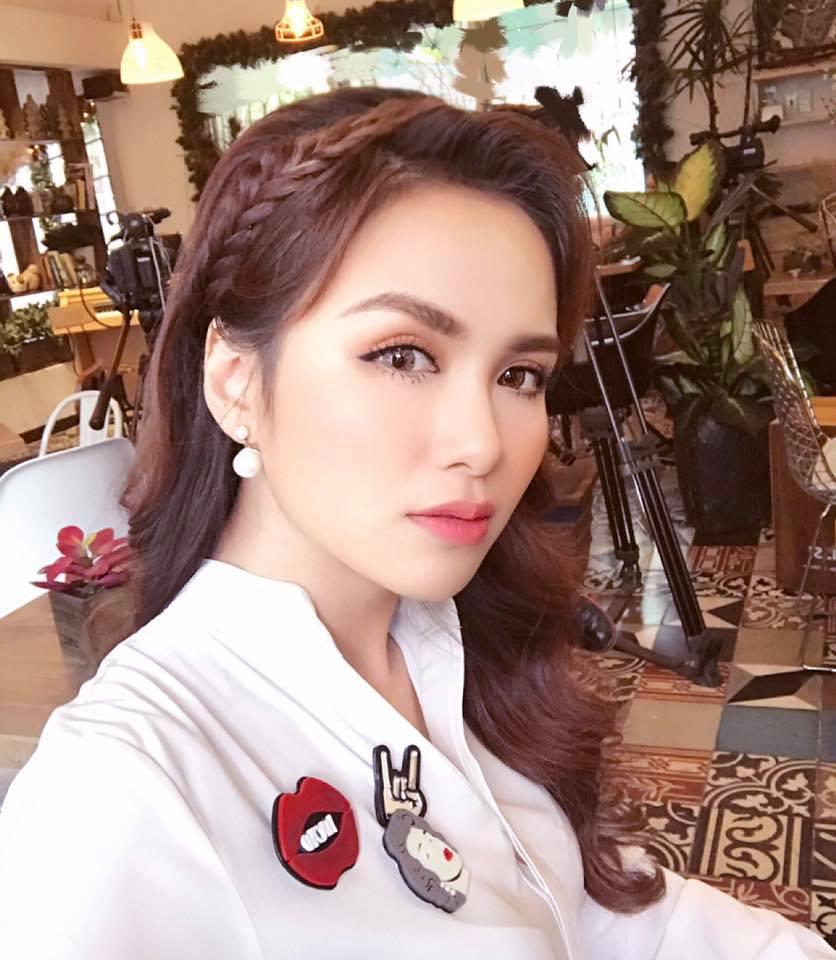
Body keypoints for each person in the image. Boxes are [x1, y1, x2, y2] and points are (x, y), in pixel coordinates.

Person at [0, 87, 831, 959]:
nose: (483, 442)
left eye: (518, 375)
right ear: (236, 380)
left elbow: (590, 910)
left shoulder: (457, 645)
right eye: (402, 356)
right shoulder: (121, 795)